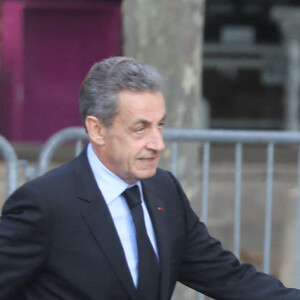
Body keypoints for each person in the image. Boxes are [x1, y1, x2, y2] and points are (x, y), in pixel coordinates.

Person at [0, 56, 299, 300]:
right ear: (97, 130)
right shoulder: (45, 203)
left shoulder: (163, 190)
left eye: (160, 126)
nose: (158, 143)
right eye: (140, 129)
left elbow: (227, 278)